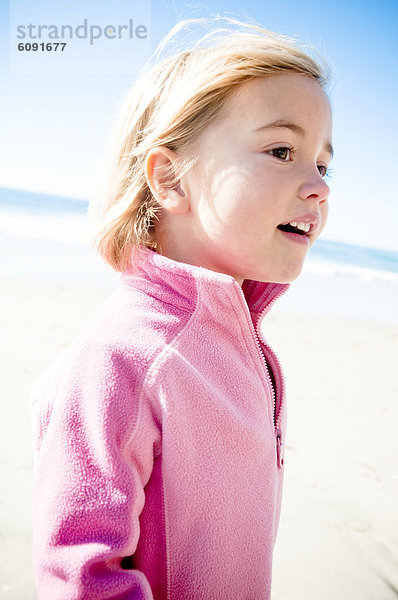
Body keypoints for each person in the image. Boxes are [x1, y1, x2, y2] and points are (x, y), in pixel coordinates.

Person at [29, 15, 333, 600]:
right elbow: (80, 578)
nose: (318, 185)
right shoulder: (121, 361)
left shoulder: (245, 346)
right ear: (171, 179)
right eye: (281, 149)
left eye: (323, 163)